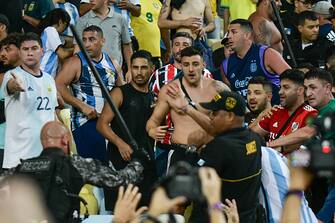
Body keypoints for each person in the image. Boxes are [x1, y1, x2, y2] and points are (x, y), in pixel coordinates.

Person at [3, 121, 146, 223]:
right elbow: (120, 179)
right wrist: (138, 161)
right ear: (66, 140)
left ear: (43, 142)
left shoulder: (23, 167)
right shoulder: (75, 164)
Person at [166, 90, 263, 222]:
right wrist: (187, 109)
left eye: (214, 113)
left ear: (229, 116)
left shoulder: (220, 147)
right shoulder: (255, 138)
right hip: (247, 217)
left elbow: (193, 184)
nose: (210, 117)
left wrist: (192, 149)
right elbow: (221, 131)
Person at [146, 46, 229, 168]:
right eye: (186, 64)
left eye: (195, 64)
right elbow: (153, 121)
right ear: (181, 66)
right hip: (181, 153)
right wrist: (151, 130)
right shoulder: (170, 90)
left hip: (210, 152)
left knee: (211, 187)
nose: (191, 69)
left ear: (203, 65)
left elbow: (236, 116)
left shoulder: (217, 88)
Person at [96, 50, 157, 210]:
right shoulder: (119, 92)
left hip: (146, 161)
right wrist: (120, 144)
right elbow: (101, 124)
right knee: (120, 212)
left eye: (143, 67)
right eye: (135, 67)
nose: (139, 72)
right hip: (120, 162)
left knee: (145, 212)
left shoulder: (154, 98)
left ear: (152, 69)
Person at [55, 25, 124, 161]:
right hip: (85, 123)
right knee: (93, 170)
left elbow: (121, 91)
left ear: (102, 41)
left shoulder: (113, 63)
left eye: (92, 39)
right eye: (84, 40)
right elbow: (58, 84)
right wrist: (81, 106)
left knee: (109, 169)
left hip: (110, 123)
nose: (87, 44)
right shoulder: (75, 61)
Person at [0, 33, 58, 169]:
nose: (30, 53)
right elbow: (11, 85)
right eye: (25, 49)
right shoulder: (12, 75)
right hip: (18, 159)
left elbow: (52, 114)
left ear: (42, 51)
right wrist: (14, 85)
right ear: (20, 53)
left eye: (34, 48)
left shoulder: (49, 79)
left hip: (44, 157)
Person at [221, 19, 290, 104]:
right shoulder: (225, 65)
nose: (229, 36)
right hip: (247, 114)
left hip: (275, 110)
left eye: (234, 32)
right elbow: (231, 97)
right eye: (228, 33)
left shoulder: (266, 54)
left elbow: (292, 79)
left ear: (247, 35)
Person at [251, 69, 318, 154]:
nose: (280, 92)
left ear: (300, 91)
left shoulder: (310, 114)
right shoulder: (274, 111)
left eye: (286, 87)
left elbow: (304, 137)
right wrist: (260, 116)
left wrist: (268, 145)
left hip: (294, 166)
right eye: (280, 87)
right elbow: (249, 136)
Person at [75, 0, 132, 71]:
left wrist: (130, 70)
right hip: (90, 74)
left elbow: (127, 46)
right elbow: (77, 48)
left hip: (116, 73)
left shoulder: (120, 19)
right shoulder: (82, 21)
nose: (91, 0)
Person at [0, 33, 23, 172]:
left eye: (7, 49)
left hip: (21, 147)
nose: (2, 54)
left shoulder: (43, 77)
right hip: (4, 145)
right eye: (1, 50)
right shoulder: (6, 77)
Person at [38, 8, 73, 77]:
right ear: (60, 22)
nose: (65, 29)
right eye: (65, 25)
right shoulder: (51, 30)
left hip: (45, 75)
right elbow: (63, 54)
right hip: (44, 73)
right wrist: (77, 48)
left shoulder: (47, 32)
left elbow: (67, 41)